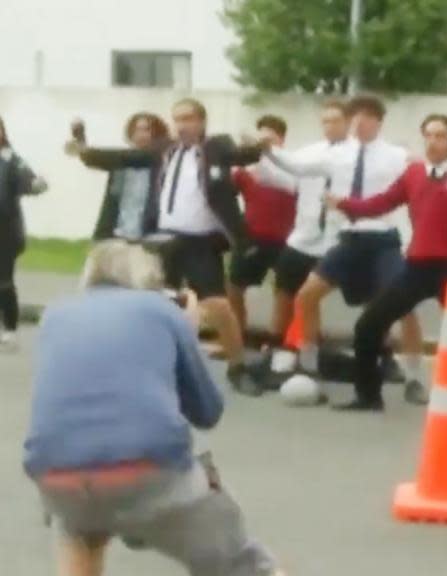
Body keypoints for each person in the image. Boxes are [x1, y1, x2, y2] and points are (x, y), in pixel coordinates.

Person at [23, 241, 280, 576]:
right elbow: (208, 410)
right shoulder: (161, 311)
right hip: (149, 474)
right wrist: (184, 329)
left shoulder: (55, 313)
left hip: (57, 476)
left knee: (77, 528)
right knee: (240, 564)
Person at [325, 114, 447, 432]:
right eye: (428, 135)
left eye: (440, 135)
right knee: (369, 324)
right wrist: (346, 204)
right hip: (417, 267)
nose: (433, 141)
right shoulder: (413, 174)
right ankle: (368, 395)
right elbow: (381, 203)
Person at [66, 98, 265, 396]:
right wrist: (85, 151)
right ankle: (151, 368)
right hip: (164, 239)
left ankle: (238, 367)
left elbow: (242, 155)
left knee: (218, 306)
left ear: (201, 122)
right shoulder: (164, 150)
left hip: (199, 242)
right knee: (154, 305)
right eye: (177, 119)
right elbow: (125, 158)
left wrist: (260, 145)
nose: (182, 125)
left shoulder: (215, 148)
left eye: (188, 119)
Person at [265, 94, 426, 404]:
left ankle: (414, 379)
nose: (360, 123)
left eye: (368, 117)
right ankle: (309, 367)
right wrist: (267, 149)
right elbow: (296, 166)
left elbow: (426, 175)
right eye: (356, 117)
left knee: (405, 308)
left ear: (379, 122)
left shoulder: (396, 156)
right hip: (349, 239)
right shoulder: (337, 155)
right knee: (306, 296)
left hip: (383, 240)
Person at [264, 99, 349, 365]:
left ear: (348, 123)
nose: (329, 126)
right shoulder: (311, 151)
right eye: (325, 121)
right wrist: (260, 159)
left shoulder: (357, 155)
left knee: (373, 295)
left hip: (340, 239)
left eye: (335, 120)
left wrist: (268, 149)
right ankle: (279, 345)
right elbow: (289, 178)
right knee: (285, 288)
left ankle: (382, 354)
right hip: (305, 235)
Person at [227, 114, 297, 333]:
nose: (266, 144)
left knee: (286, 290)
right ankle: (238, 334)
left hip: (289, 239)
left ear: (281, 140)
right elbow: (223, 193)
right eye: (262, 139)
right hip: (253, 237)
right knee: (233, 287)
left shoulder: (294, 167)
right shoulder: (246, 170)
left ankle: (277, 341)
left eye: (271, 139)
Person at [66, 112, 169, 241]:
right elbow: (93, 159)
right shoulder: (121, 160)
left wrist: (84, 150)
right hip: (116, 233)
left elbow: (138, 158)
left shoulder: (163, 158)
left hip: (148, 235)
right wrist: (81, 141)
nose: (141, 135)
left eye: (146, 130)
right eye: (136, 130)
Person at [0, 115, 47, 353]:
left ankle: (9, 329)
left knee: (4, 282)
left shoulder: (11, 160)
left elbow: (29, 182)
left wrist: (37, 184)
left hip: (5, 231)